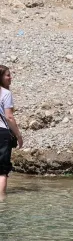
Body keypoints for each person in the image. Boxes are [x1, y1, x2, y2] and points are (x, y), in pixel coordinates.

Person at [0, 65, 23, 198]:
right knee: (2, 171)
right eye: (7, 75)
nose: (10, 78)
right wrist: (18, 135)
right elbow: (9, 117)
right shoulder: (6, 93)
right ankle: (2, 204)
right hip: (2, 133)